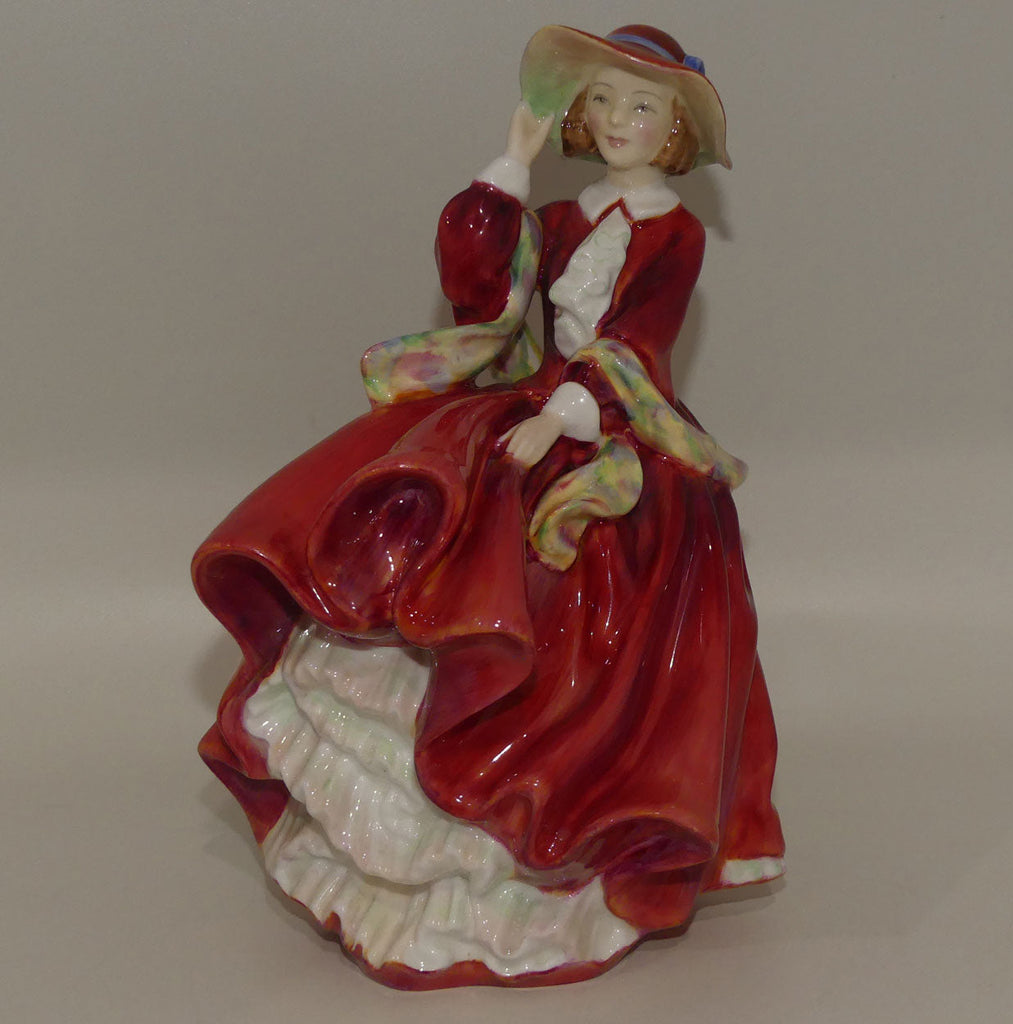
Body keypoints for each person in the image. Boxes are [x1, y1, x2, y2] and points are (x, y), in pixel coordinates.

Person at [194, 24, 785, 989]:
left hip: (613, 422)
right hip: (532, 400)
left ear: (675, 130)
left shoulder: (674, 233)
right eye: (602, 101)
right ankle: (410, 837)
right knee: (424, 518)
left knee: (580, 586)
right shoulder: (560, 217)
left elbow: (636, 340)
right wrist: (510, 162)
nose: (619, 120)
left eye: (642, 106)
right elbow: (479, 292)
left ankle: (546, 850)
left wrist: (564, 418)